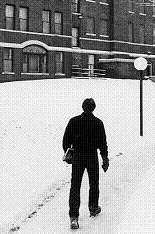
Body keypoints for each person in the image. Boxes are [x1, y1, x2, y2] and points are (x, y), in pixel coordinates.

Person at [62, 98, 109, 230]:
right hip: (91, 156)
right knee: (94, 183)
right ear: (93, 108)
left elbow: (65, 140)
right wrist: (105, 158)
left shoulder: (74, 121)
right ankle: (93, 208)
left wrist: (68, 153)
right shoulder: (98, 123)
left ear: (83, 107)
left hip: (78, 156)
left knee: (75, 186)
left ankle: (74, 217)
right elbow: (102, 142)